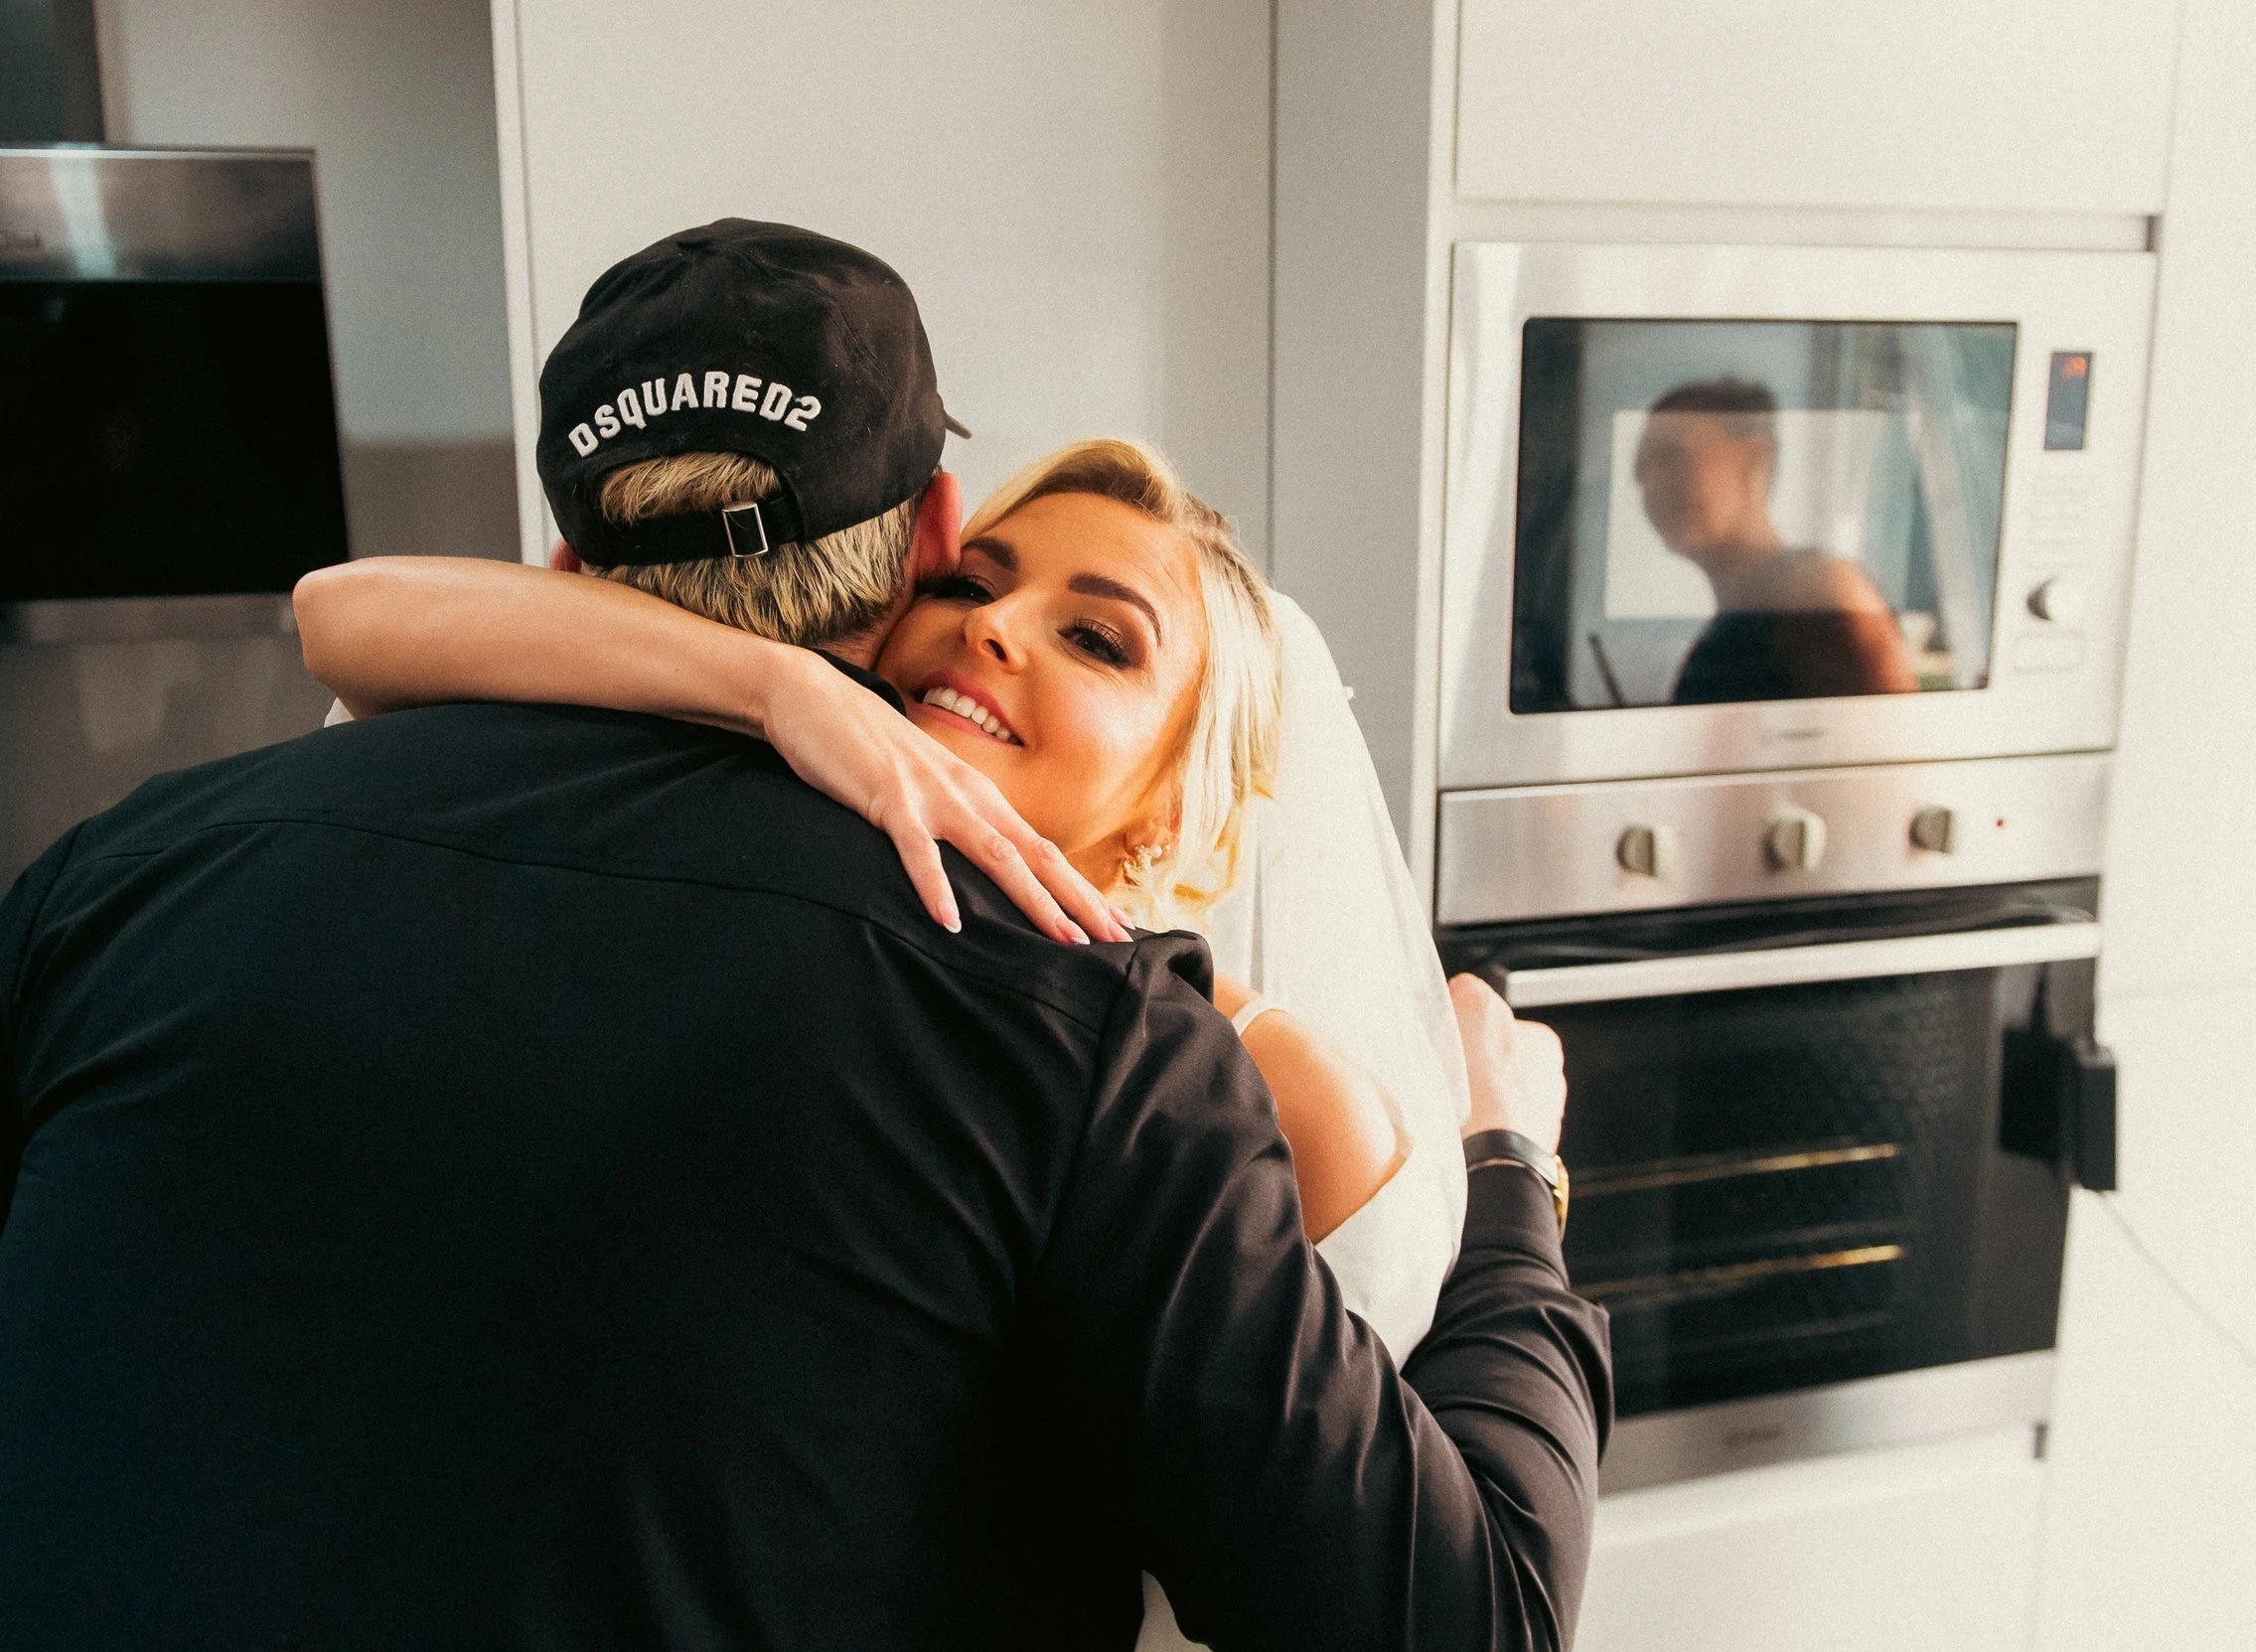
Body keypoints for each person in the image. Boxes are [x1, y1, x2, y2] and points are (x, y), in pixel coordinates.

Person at [0, 220, 1609, 1650]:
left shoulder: (107, 875)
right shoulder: (1080, 1039)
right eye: (982, 576)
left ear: (565, 558)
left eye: (1098, 636)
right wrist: (1517, 1168)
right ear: (927, 540)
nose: (995, 628)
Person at [1633, 375, 1916, 702]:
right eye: (1641, 470)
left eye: (1672, 457)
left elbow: (1884, 734)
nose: (1651, 485)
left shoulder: (1817, 591)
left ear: (1754, 460)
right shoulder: (1741, 614)